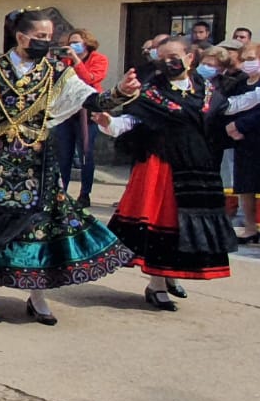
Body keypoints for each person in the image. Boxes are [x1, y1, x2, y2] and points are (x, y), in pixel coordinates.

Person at [0, 10, 136, 324]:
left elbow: (93, 101)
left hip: (38, 160)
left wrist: (122, 92)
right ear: (22, 37)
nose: (47, 43)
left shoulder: (58, 71)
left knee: (41, 223)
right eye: (42, 37)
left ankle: (37, 293)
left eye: (49, 37)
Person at [97, 38, 260, 311]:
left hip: (196, 166)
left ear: (189, 58)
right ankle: (157, 284)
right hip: (160, 166)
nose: (168, 62)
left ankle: (169, 275)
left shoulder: (206, 89)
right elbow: (129, 122)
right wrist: (108, 122)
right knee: (163, 222)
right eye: (162, 58)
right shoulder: (151, 92)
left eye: (174, 56)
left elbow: (229, 107)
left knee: (186, 225)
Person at [51, 28, 109, 206]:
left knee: (86, 153)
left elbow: (89, 79)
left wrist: (75, 60)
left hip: (88, 112)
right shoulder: (65, 61)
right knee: (63, 155)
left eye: (76, 42)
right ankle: (61, 192)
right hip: (67, 111)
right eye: (70, 42)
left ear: (86, 42)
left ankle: (85, 194)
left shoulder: (99, 59)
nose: (72, 45)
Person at [226, 43, 260, 243]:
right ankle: (249, 228)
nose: (248, 63)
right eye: (244, 59)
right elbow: (232, 105)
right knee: (245, 185)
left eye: (251, 58)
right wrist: (231, 127)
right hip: (243, 141)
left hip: (254, 134)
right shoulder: (241, 83)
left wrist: (240, 124)